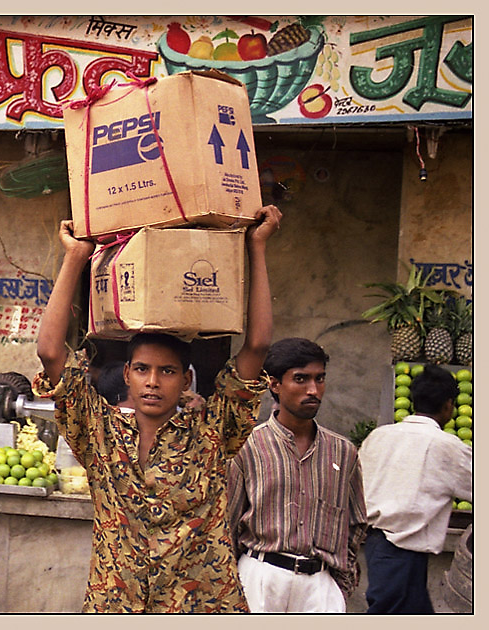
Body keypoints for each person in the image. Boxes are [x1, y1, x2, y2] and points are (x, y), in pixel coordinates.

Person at [34, 205, 281, 612]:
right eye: (143, 370)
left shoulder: (212, 432)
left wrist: (256, 247)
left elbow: (257, 347)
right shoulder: (99, 432)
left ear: (185, 381)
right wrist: (75, 256)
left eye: (166, 371)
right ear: (127, 374)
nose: (152, 381)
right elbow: (49, 351)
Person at [226, 337, 368, 612]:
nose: (313, 390)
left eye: (320, 379)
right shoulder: (247, 445)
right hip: (260, 579)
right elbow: (227, 524)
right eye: (301, 379)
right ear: (275, 384)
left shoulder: (343, 451)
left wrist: (339, 588)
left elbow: (355, 524)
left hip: (319, 586)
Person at [358, 364, 472, 614]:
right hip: (400, 550)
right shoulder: (446, 446)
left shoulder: (379, 436)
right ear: (449, 405)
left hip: (378, 544)